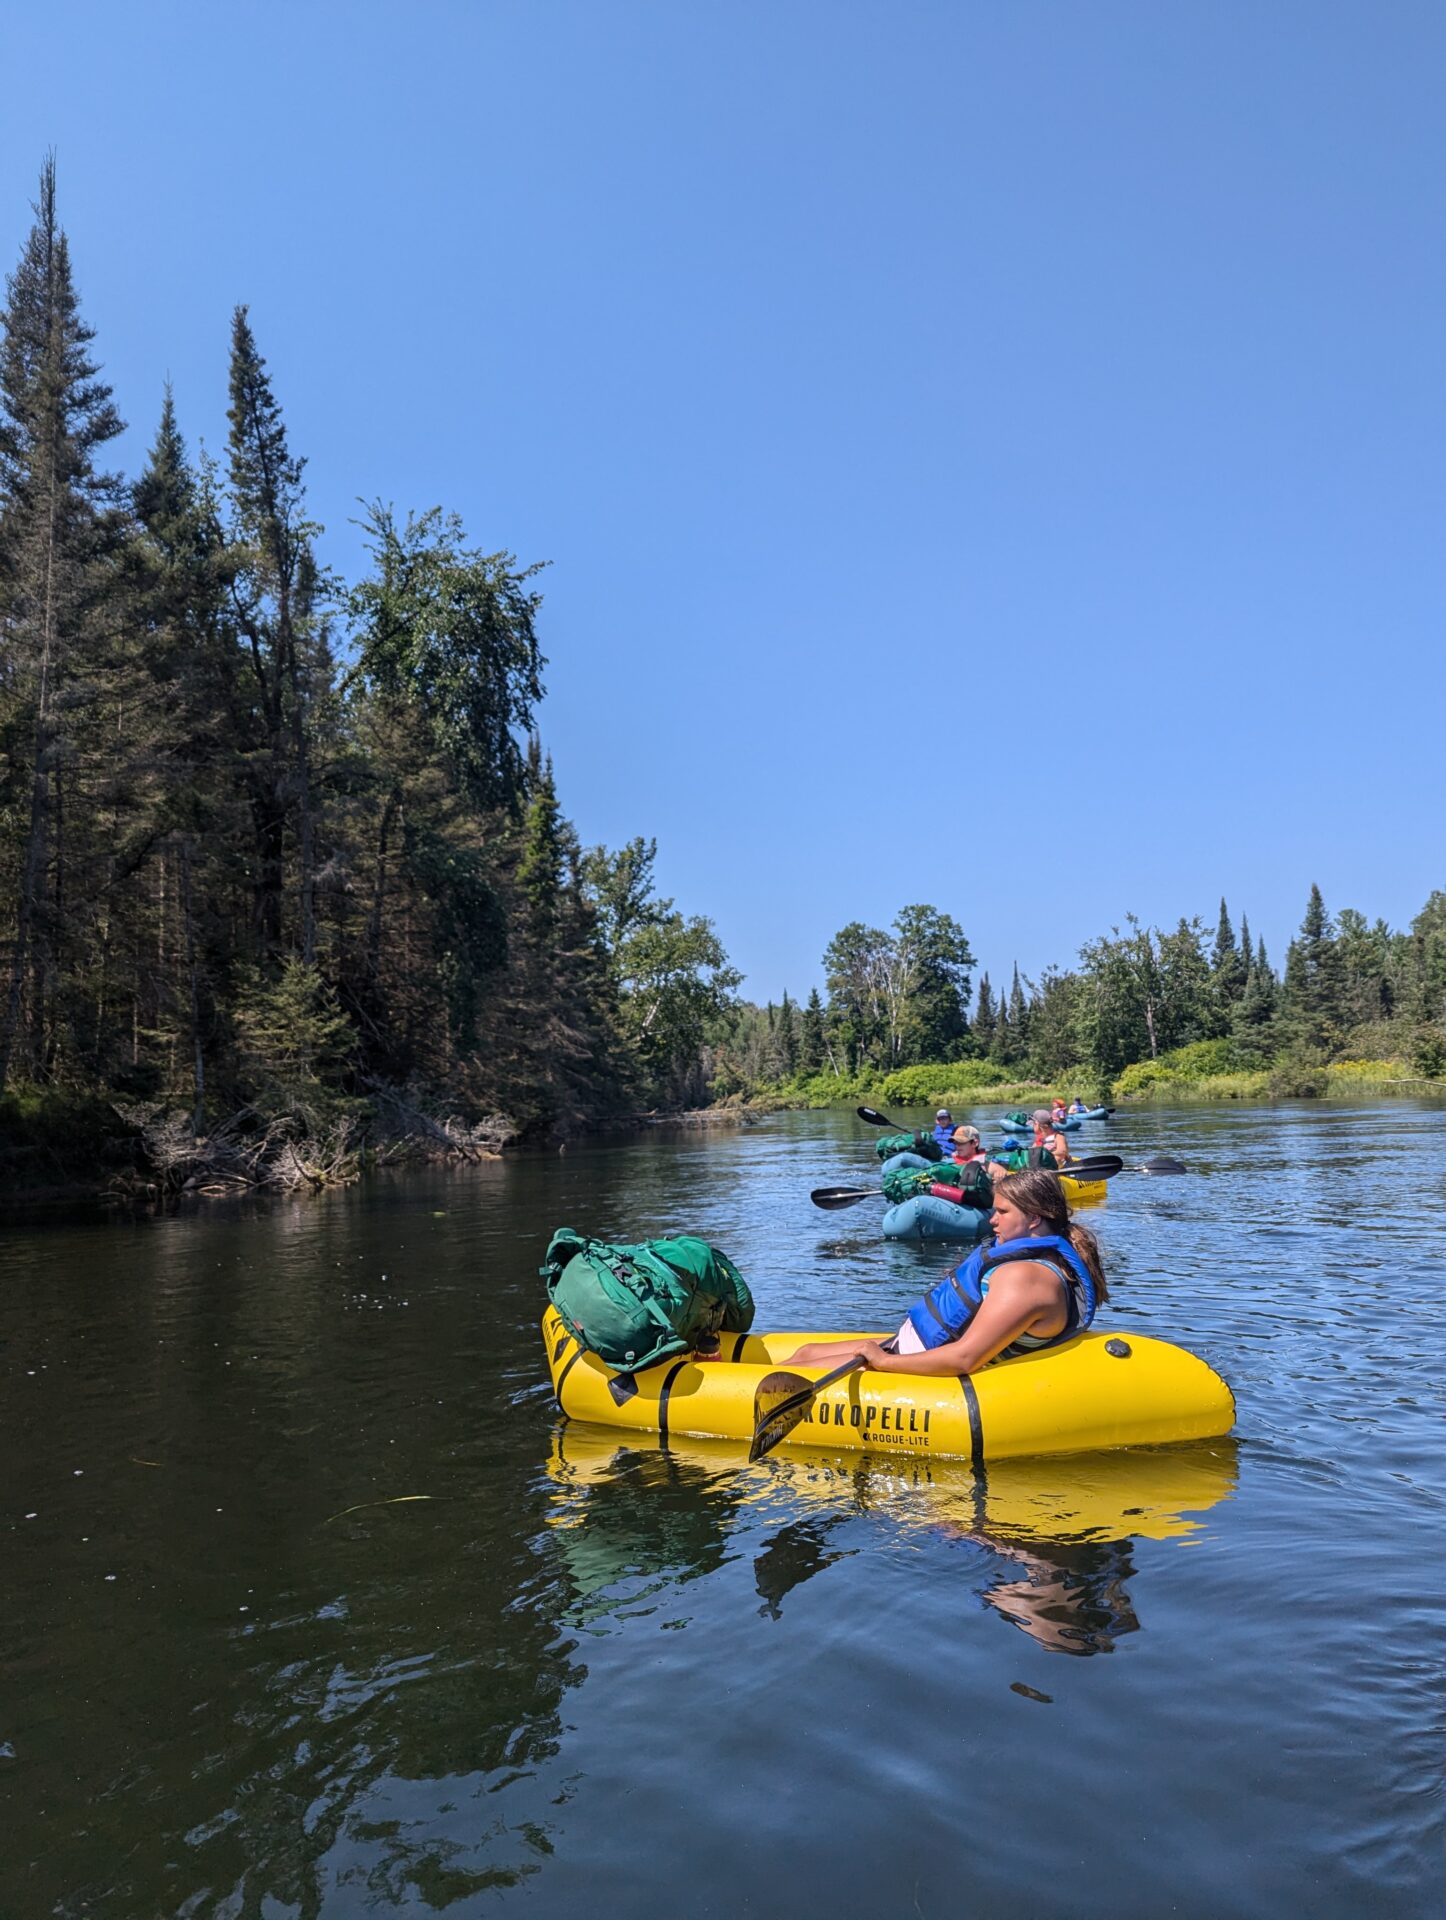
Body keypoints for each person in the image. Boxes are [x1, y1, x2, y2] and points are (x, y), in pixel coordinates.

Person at [785, 1168, 1106, 1376]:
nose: (993, 1220)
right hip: (914, 1345)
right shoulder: (1039, 1262)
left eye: (1003, 1212)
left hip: (916, 1365)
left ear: (1034, 1219)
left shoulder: (1027, 1279)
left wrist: (883, 1361)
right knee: (806, 1352)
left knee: (790, 1374)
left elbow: (964, 1359)